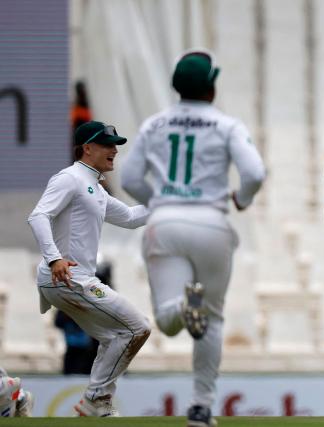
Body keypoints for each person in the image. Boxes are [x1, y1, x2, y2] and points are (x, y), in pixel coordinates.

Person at [121, 48, 265, 427]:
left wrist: (164, 204)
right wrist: (243, 199)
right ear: (211, 88)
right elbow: (254, 173)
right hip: (212, 224)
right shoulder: (227, 125)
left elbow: (129, 179)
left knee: (169, 323)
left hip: (165, 222)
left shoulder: (154, 125)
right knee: (212, 319)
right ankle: (201, 407)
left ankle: (184, 305)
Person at [28, 121, 151, 417]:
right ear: (87, 148)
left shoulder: (94, 188)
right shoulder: (69, 178)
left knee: (116, 337)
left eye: (116, 145)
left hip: (71, 279)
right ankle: (96, 398)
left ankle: (97, 403)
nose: (114, 151)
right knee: (138, 327)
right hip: (67, 277)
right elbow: (38, 215)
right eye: (107, 145)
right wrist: (55, 258)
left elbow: (133, 217)